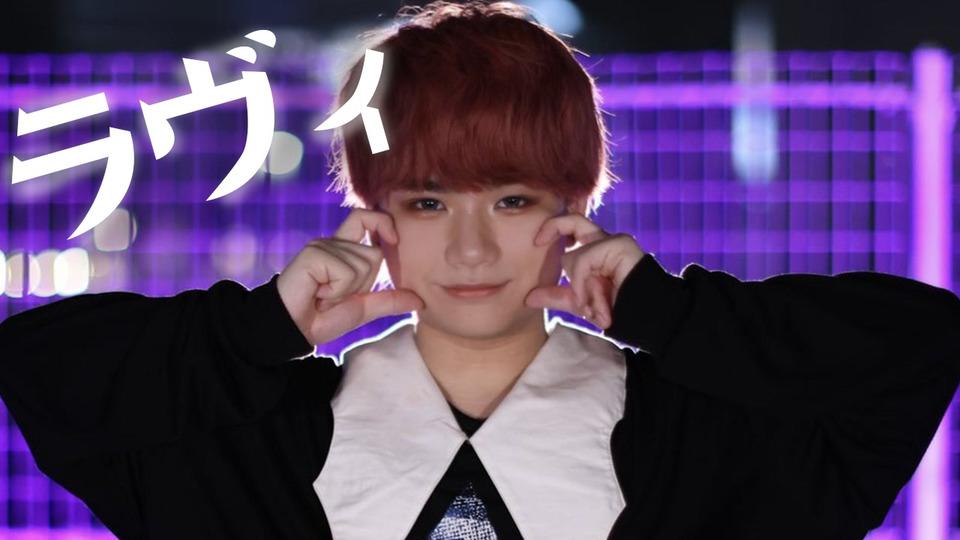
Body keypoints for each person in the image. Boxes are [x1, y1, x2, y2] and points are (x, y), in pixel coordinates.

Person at [1, 1, 959, 539]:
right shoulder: (266, 444)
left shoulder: (699, 441)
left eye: (512, 201)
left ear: (573, 208)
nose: (469, 251)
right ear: (373, 219)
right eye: (427, 203)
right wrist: (260, 328)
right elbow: (39, 365)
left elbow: (920, 341)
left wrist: (675, 315)